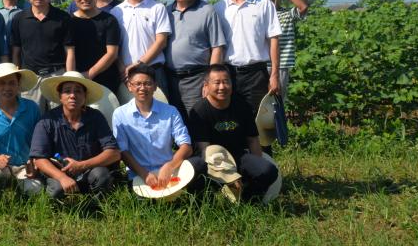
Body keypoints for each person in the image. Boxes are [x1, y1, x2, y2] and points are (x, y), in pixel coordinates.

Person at [187, 64, 280, 200]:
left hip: (239, 156)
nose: (222, 87)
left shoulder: (242, 105)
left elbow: (253, 139)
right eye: (217, 83)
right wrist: (229, 176)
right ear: (206, 85)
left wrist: (257, 166)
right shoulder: (199, 111)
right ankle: (208, 201)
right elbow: (204, 150)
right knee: (197, 171)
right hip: (212, 161)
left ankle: (248, 200)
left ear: (232, 83)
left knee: (268, 171)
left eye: (226, 82)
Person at [29, 72, 121, 200]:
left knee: (102, 176)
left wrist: (82, 165)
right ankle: (68, 206)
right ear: (60, 96)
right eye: (67, 91)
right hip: (60, 172)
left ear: (84, 96)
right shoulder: (47, 121)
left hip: (90, 170)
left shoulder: (96, 117)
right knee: (57, 190)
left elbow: (114, 153)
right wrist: (62, 177)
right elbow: (39, 159)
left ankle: (94, 206)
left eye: (78, 91)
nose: (73, 95)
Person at [111, 64, 198, 192]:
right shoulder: (120, 114)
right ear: (130, 86)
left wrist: (170, 166)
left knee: (198, 164)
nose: (142, 88)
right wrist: (144, 174)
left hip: (169, 172)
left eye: (147, 83)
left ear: (155, 86)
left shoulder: (170, 111)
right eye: (137, 84)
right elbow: (123, 151)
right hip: (138, 174)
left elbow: (186, 146)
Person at [213, 0, 281, 114]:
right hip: (228, 73)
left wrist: (274, 75)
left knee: (256, 120)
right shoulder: (219, 8)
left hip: (256, 74)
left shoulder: (264, 4)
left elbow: (274, 40)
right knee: (230, 118)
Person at [164, 0, 227, 122]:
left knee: (198, 121)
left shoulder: (207, 11)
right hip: (169, 78)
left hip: (197, 78)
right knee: (173, 123)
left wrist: (209, 81)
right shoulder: (165, 12)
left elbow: (217, 48)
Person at [0, 63, 43, 195]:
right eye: (2, 83)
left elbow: (40, 142)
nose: (7, 87)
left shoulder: (32, 108)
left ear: (18, 84)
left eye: (12, 83)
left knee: (35, 190)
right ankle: (2, 195)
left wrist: (35, 162)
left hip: (25, 166)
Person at [8, 0, 74, 108]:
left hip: (56, 75)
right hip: (30, 77)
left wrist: (69, 78)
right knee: (31, 115)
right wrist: (16, 77)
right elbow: (16, 52)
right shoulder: (19, 19)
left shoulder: (63, 18)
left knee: (61, 115)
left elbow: (70, 51)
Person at [110, 0, 173, 101]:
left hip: (154, 71)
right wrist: (122, 68)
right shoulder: (116, 11)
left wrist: (139, 64)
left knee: (159, 110)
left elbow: (161, 41)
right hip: (126, 74)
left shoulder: (157, 8)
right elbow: (113, 46)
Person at [258, 0, 309, 114]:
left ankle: (277, 126)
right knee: (260, 104)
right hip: (259, 65)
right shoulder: (258, 15)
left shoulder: (287, 14)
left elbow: (303, 7)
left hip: (281, 65)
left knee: (277, 101)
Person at [69, 0, 121, 103]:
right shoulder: (67, 21)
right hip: (75, 82)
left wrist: (89, 74)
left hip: (105, 81)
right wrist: (74, 77)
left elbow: (112, 53)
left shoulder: (109, 20)